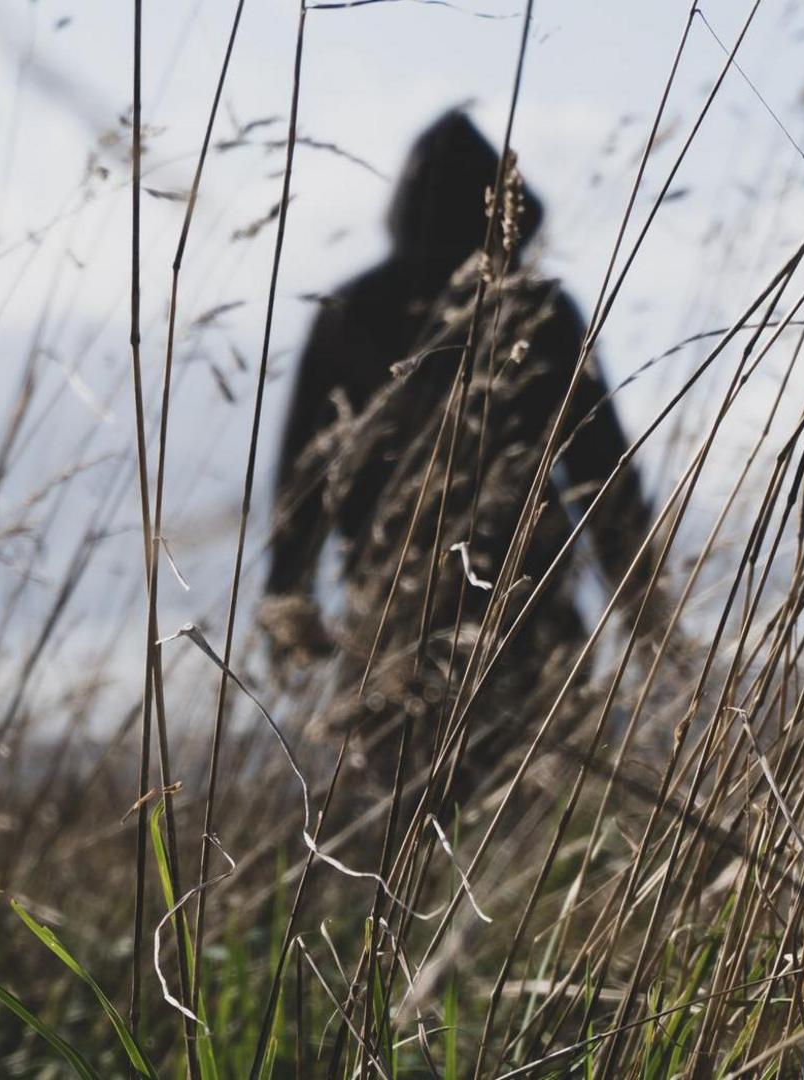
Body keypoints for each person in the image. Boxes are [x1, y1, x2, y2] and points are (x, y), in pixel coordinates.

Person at [258, 110, 662, 796]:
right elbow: (603, 474)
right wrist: (643, 602)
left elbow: (303, 482)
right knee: (521, 811)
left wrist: (286, 598)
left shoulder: (349, 311)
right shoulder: (538, 309)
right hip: (526, 608)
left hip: (387, 617)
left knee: (403, 815)